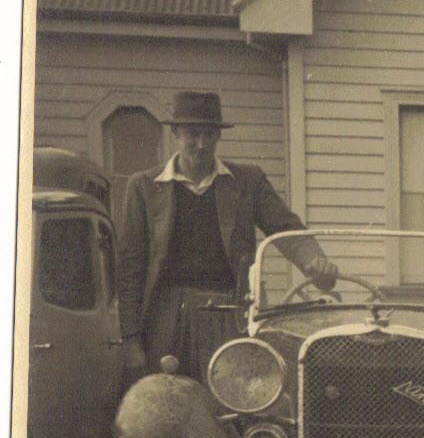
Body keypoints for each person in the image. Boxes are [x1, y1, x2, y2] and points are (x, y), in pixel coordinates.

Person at [117, 90, 337, 383]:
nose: (201, 144)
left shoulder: (247, 182)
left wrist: (315, 261)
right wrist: (131, 341)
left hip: (228, 315)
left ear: (218, 136)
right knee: (165, 406)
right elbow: (129, 269)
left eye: (209, 135)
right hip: (166, 318)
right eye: (192, 134)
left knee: (234, 403)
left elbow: (287, 230)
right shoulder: (144, 187)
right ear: (175, 134)